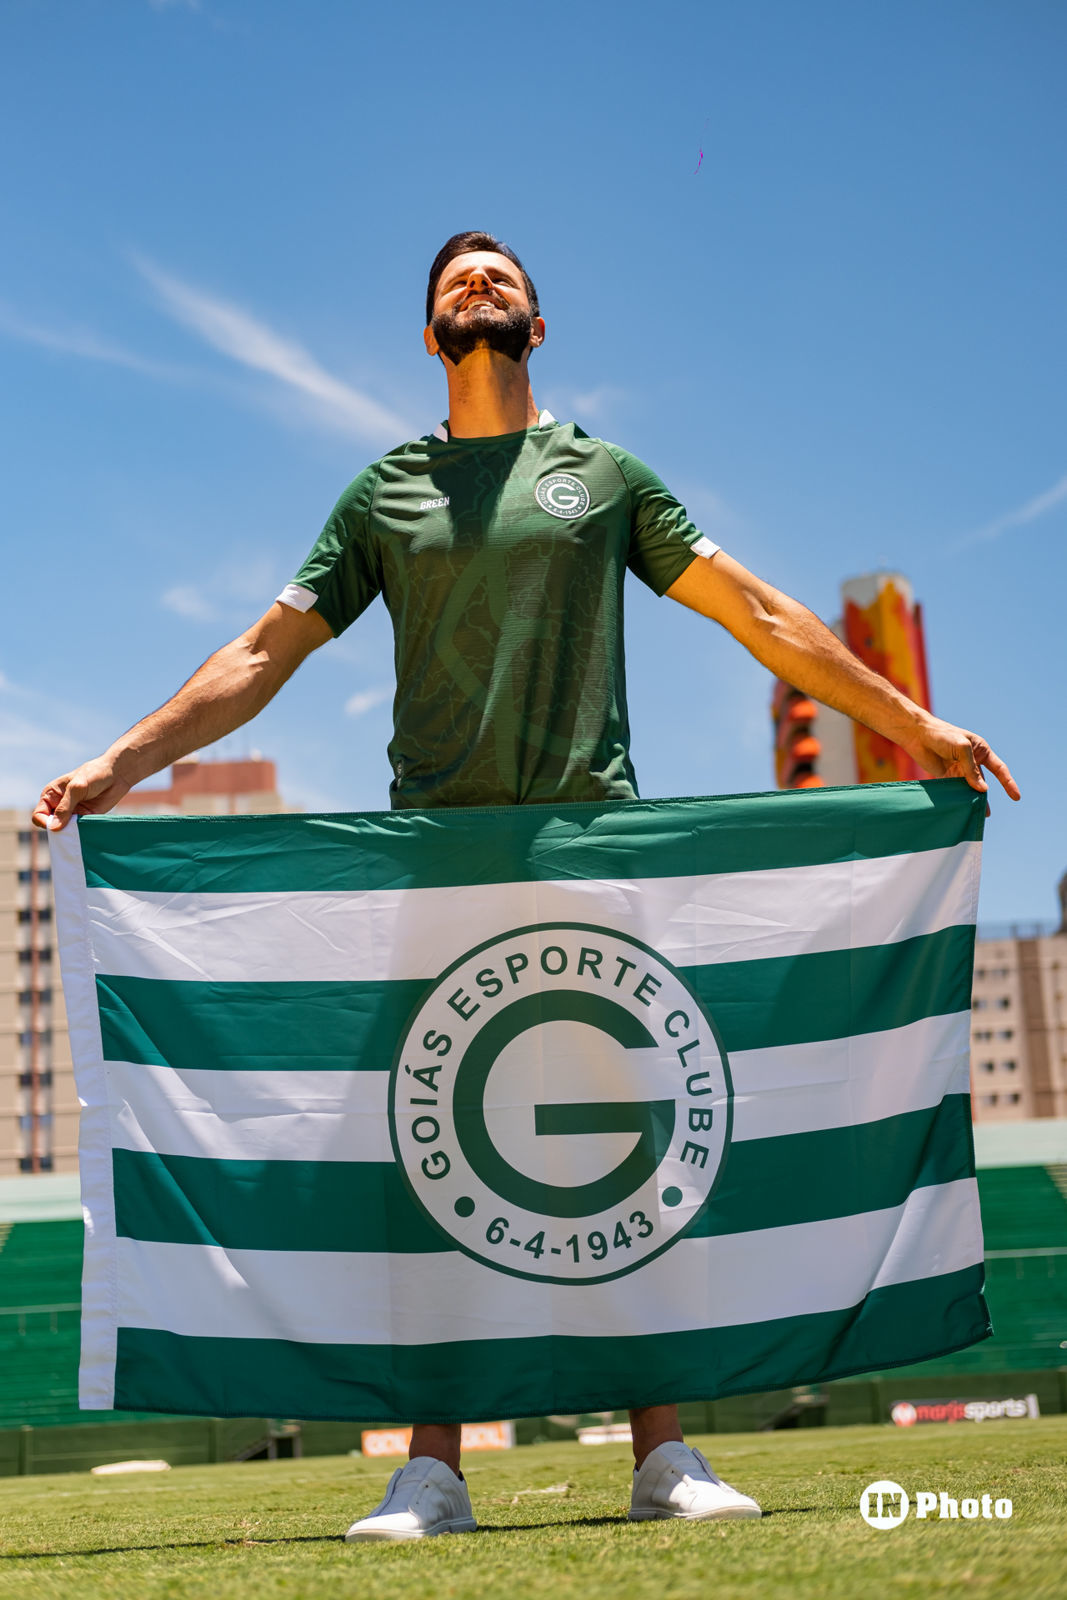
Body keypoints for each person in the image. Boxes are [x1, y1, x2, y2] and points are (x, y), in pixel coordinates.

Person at [34, 230, 1020, 1539]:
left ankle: (664, 1455)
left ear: (536, 326)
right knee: (429, 1159)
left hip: (588, 855)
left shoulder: (601, 476)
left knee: (636, 1151)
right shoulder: (385, 492)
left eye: (501, 275)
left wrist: (915, 728)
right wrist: (122, 759)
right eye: (455, 279)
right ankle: (431, 1471)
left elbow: (759, 613)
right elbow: (261, 653)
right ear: (430, 331)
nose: (478, 284)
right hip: (434, 871)